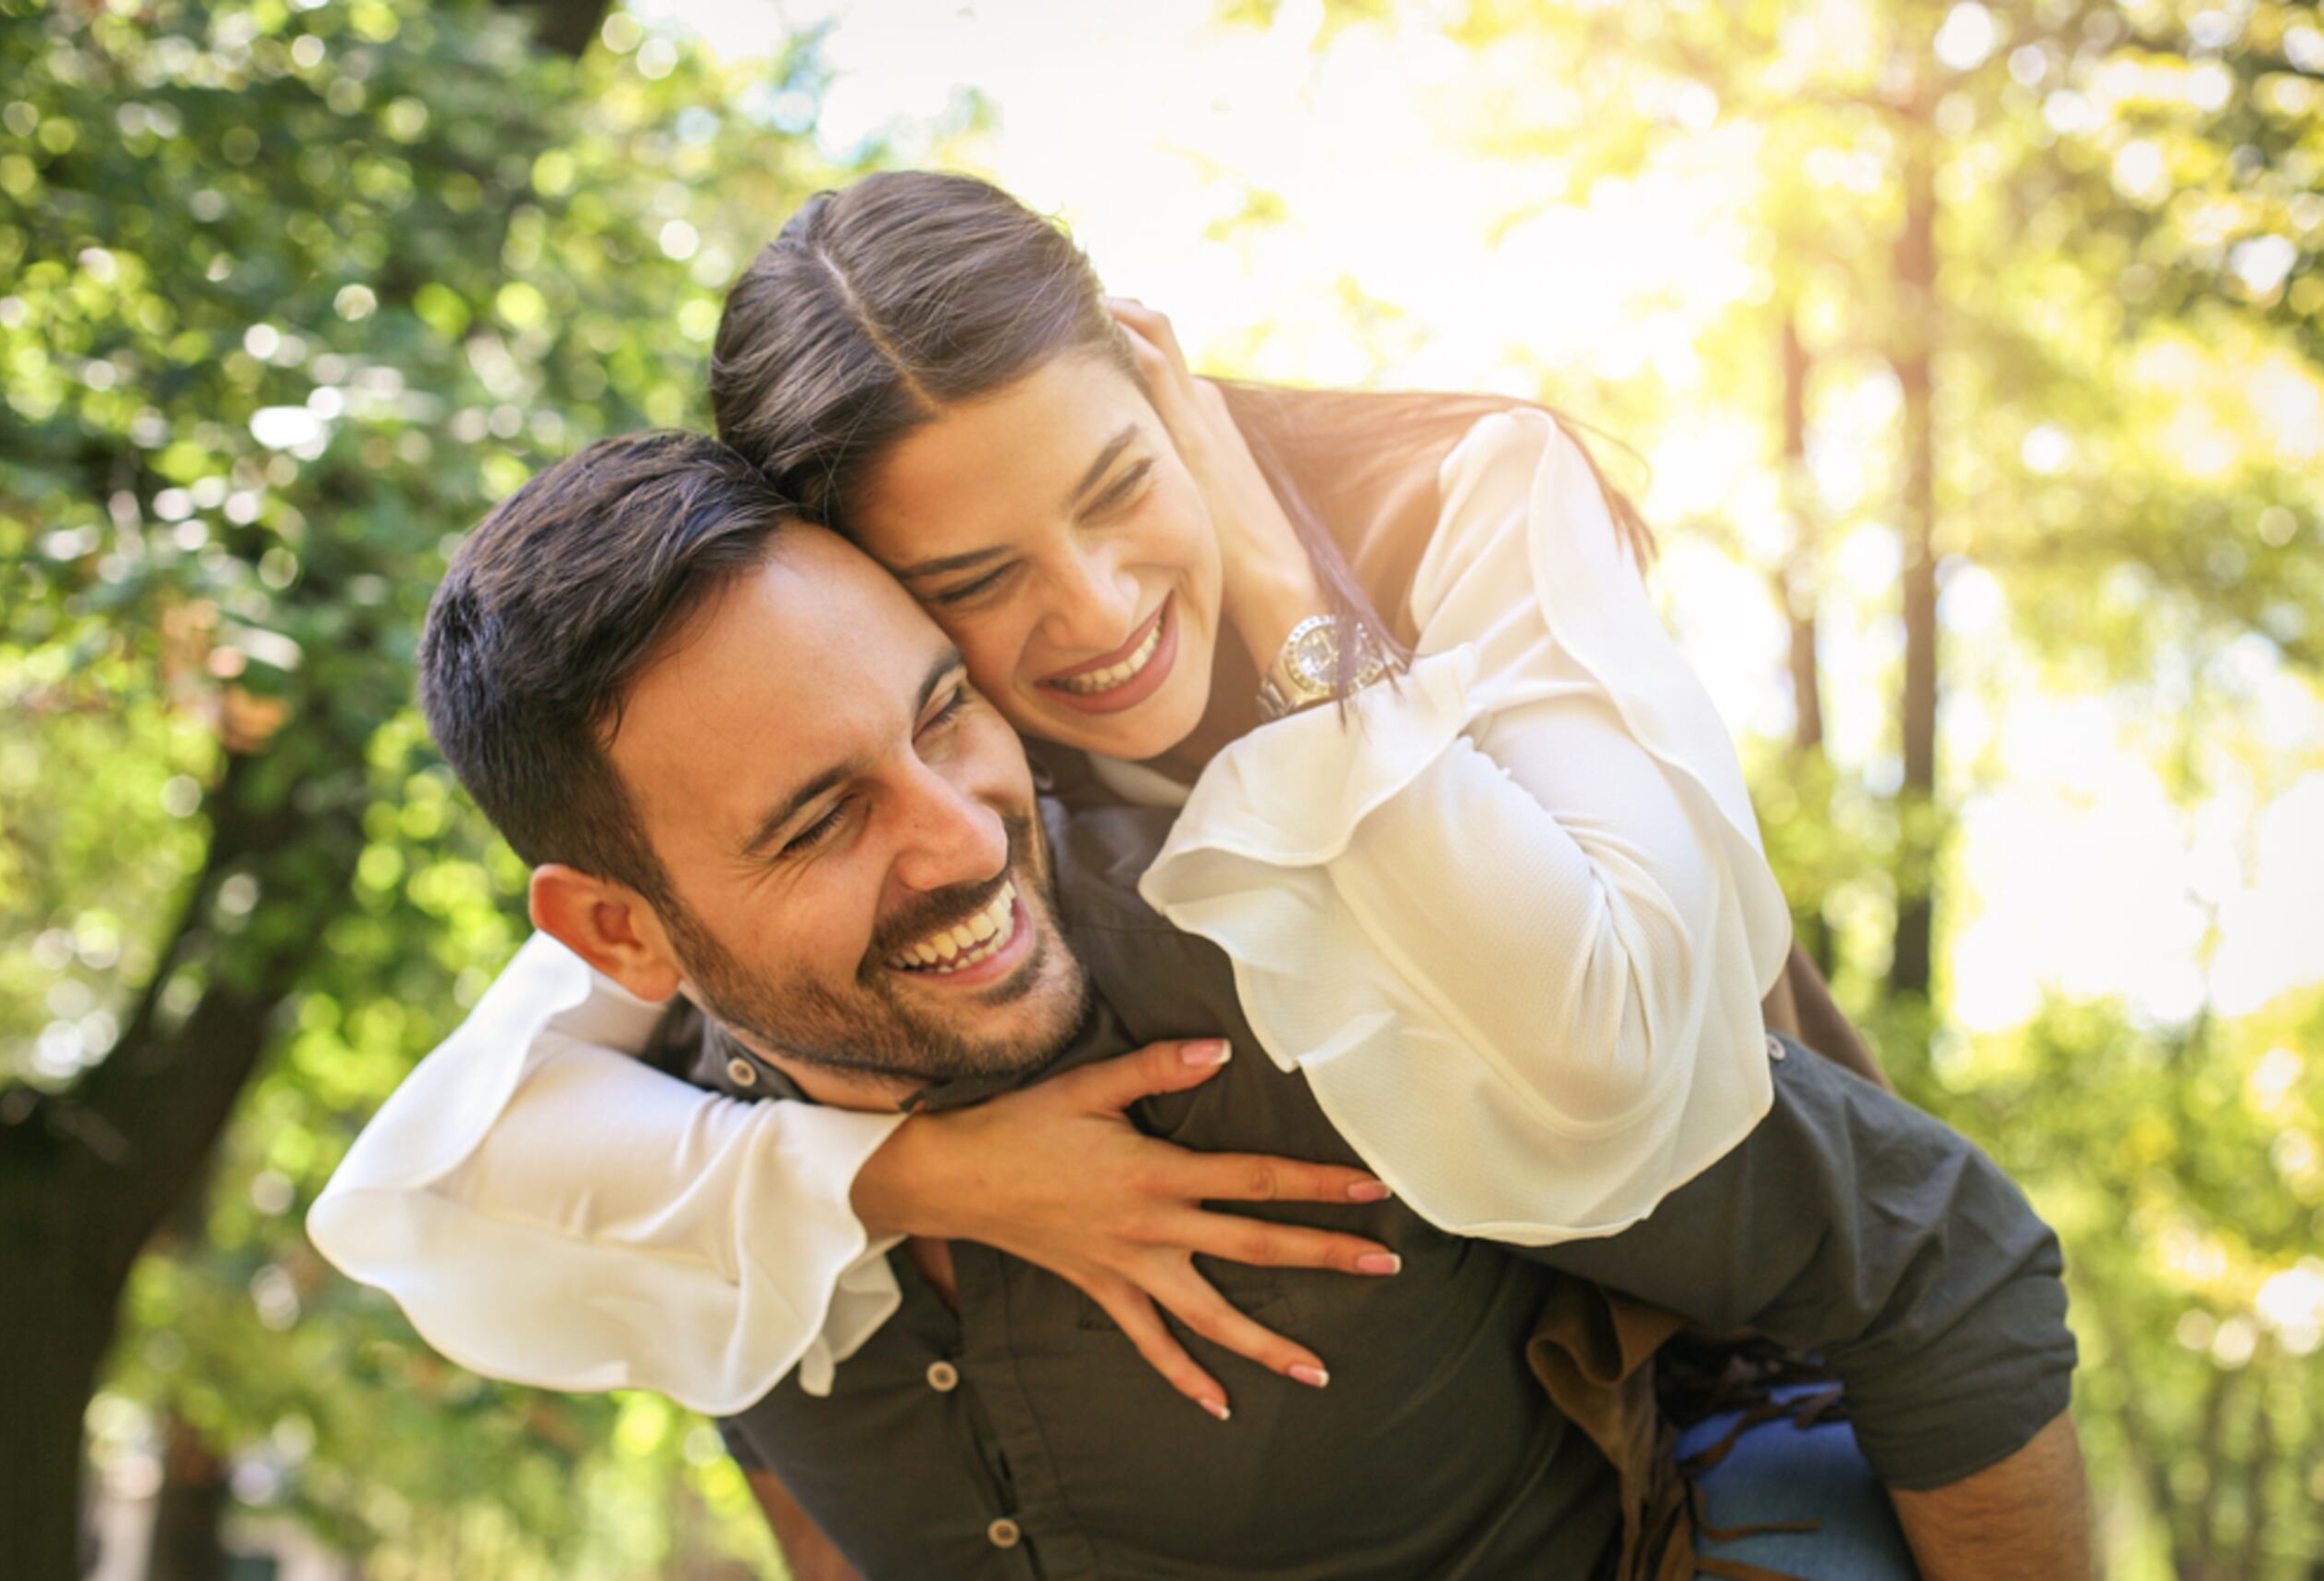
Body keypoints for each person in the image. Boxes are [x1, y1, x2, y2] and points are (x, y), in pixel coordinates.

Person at [320, 429, 2086, 1580]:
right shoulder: (636, 1191)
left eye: (945, 713)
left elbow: (1938, 1263)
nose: (963, 838)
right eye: (818, 817)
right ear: (621, 935)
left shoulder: (1307, 957)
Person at [311, 170, 1887, 1423]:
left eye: (1125, 485)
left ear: (1166, 389)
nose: (1094, 615)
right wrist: (916, 1177)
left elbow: (1602, 1047)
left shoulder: (1459, 498)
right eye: (972, 578)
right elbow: (445, 1159)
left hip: (1824, 1329)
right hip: (1538, 1404)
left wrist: (1285, 594)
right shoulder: (911, 746)